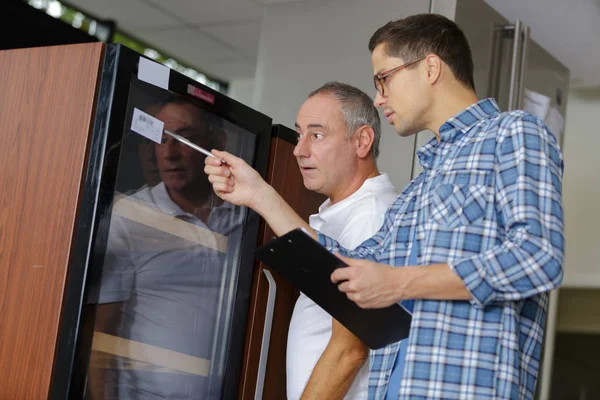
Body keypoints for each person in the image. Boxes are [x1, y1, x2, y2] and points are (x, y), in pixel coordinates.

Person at [204, 13, 564, 400]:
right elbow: (343, 272)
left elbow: (538, 257)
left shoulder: (513, 133)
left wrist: (398, 283)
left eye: (384, 78)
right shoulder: (416, 191)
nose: (378, 97)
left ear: (430, 67)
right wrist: (259, 194)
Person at [89, 98, 242, 399]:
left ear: (217, 143)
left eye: (185, 139)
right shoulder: (129, 216)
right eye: (160, 140)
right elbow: (100, 335)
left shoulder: (244, 214)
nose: (169, 154)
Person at [286, 82, 397, 400]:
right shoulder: (342, 212)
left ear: (362, 141)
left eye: (316, 135)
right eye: (299, 134)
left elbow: (350, 350)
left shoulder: (372, 215)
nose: (299, 149)